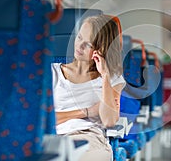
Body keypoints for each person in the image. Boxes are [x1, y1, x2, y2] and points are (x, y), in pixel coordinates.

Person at [51, 15, 126, 161]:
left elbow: (109, 121)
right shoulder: (52, 72)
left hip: (89, 137)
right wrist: (87, 111)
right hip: (54, 136)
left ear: (101, 49)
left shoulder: (112, 78)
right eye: (79, 38)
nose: (79, 47)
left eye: (88, 44)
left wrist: (104, 75)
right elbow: (44, 118)